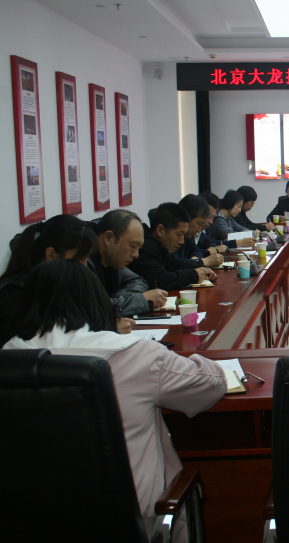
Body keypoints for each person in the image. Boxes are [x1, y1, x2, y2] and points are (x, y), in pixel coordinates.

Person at [3, 259, 226, 539]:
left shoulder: (10, 360)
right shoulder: (136, 354)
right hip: (135, 523)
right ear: (97, 302)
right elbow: (211, 384)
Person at [0, 215, 96, 342]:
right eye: (79, 258)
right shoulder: (14, 295)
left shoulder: (59, 283)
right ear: (51, 255)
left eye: (86, 258)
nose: (85, 266)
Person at [89, 209, 168, 317]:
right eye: (132, 246)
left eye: (139, 248)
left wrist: (116, 301)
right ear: (108, 238)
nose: (136, 255)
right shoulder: (82, 262)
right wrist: (140, 300)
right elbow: (94, 311)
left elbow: (138, 281)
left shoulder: (113, 261)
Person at [127, 202, 216, 291]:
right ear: (160, 230)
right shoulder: (145, 245)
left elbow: (173, 264)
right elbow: (158, 280)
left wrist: (200, 269)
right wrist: (194, 275)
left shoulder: (159, 245)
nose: (182, 241)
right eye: (179, 234)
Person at [176, 194, 224, 268]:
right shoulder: (173, 236)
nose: (199, 230)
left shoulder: (188, 236)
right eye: (198, 224)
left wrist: (195, 261)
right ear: (187, 217)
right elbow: (174, 263)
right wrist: (204, 262)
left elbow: (196, 250)